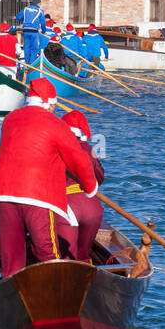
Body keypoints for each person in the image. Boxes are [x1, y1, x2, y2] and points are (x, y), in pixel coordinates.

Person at [0, 78, 101, 274]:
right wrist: (90, 188)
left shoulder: (10, 119)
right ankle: (54, 291)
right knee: (47, 253)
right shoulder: (55, 123)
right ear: (51, 104)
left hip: (1, 195)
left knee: (11, 258)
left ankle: (13, 293)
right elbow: (78, 158)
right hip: (37, 197)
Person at [61, 110, 106, 261]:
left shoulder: (56, 147)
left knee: (65, 258)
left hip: (66, 206)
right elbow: (99, 177)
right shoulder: (89, 149)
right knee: (82, 257)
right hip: (92, 207)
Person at [16, 0, 47, 68]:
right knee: (34, 48)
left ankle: (26, 64)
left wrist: (26, 20)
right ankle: (31, 65)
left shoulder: (25, 9)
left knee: (26, 47)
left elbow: (18, 17)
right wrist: (43, 31)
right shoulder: (40, 11)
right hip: (34, 31)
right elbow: (43, 23)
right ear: (38, 3)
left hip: (26, 31)